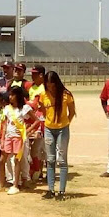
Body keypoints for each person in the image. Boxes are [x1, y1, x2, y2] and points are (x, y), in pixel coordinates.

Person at [0, 87, 39, 195]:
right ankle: (1, 184)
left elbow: (36, 121)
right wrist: (2, 138)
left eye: (12, 95)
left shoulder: (24, 108)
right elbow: (5, 124)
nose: (10, 97)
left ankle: (15, 185)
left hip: (18, 137)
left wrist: (27, 131)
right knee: (2, 160)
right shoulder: (7, 108)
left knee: (17, 160)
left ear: (18, 96)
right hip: (8, 137)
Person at [37, 71, 76, 200]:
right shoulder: (43, 95)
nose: (50, 88)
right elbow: (43, 110)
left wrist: (66, 124)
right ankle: (51, 189)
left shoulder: (66, 95)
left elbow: (72, 112)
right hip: (49, 129)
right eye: (48, 85)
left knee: (62, 160)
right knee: (50, 160)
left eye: (52, 85)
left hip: (62, 129)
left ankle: (62, 191)